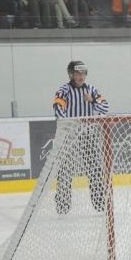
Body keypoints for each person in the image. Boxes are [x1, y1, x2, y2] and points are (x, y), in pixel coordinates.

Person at [53, 61, 109, 215]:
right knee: (65, 170)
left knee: (95, 169)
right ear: (71, 74)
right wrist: (67, 125)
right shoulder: (63, 90)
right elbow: (58, 108)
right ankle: (62, 205)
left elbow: (105, 107)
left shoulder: (92, 90)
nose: (80, 76)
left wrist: (93, 100)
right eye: (77, 74)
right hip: (69, 137)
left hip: (87, 135)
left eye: (83, 73)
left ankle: (99, 204)